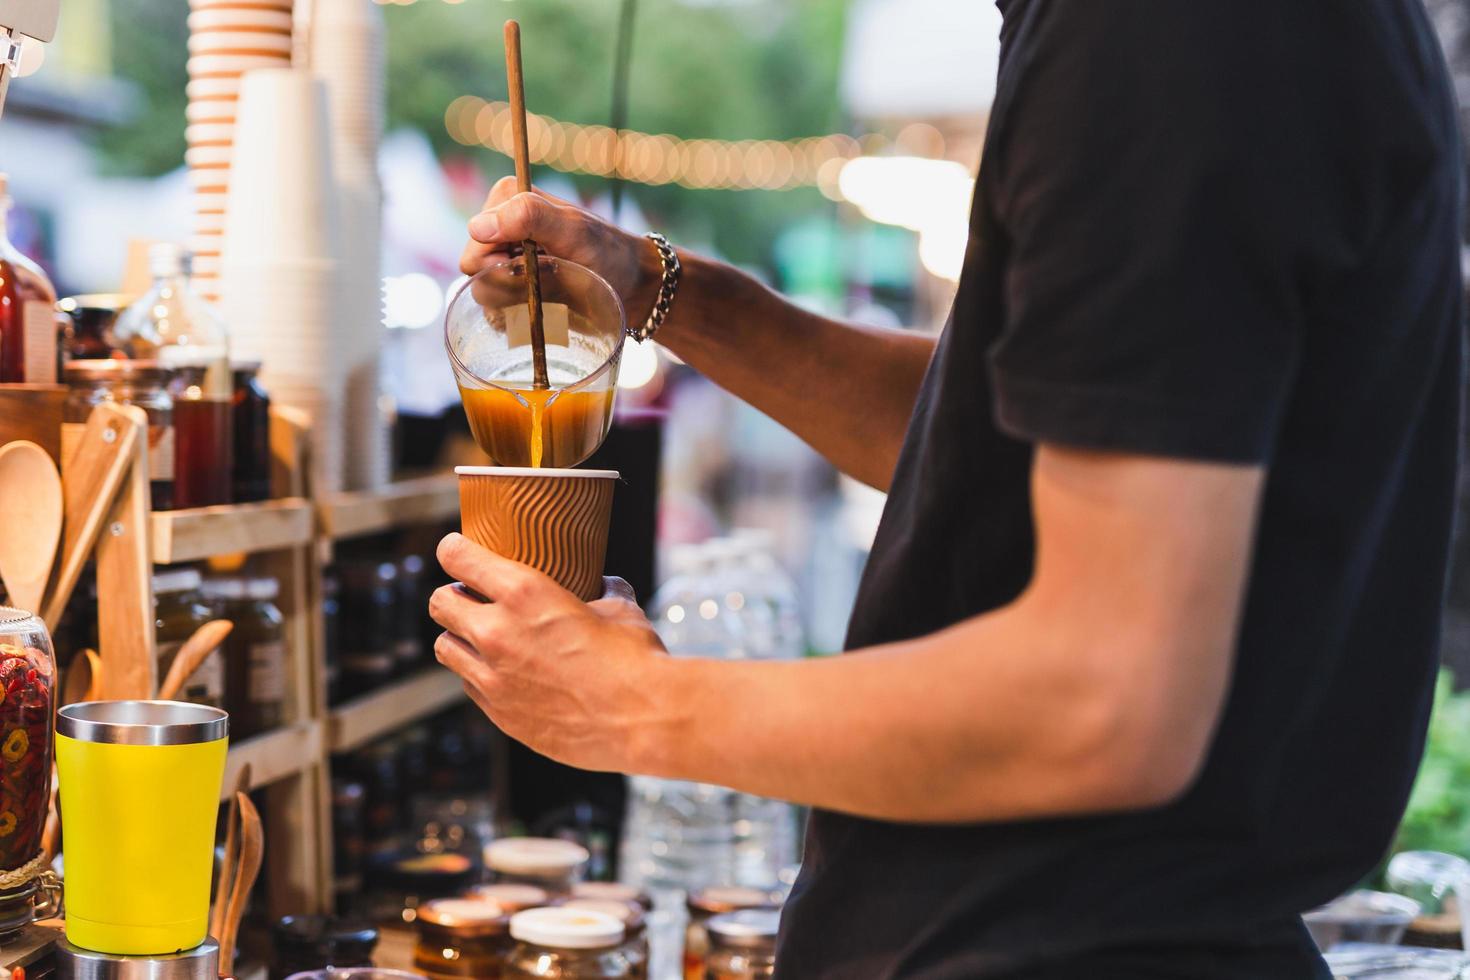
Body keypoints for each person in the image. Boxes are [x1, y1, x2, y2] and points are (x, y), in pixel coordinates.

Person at [432, 2, 1465, 976]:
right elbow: (993, 445)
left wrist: (636, 704)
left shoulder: (1160, 36)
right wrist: (661, 292)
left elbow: (1104, 699)